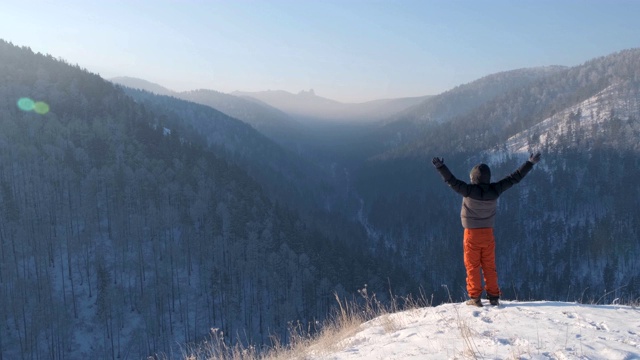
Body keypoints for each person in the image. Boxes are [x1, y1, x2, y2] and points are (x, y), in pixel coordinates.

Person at [432, 153, 541, 307]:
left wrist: (441, 167)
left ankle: (475, 298)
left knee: (473, 266)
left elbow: (451, 181)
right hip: (488, 233)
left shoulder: (468, 191)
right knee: (489, 265)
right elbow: (515, 177)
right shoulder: (495, 190)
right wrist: (529, 163)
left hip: (471, 234)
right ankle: (494, 296)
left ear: (473, 178)